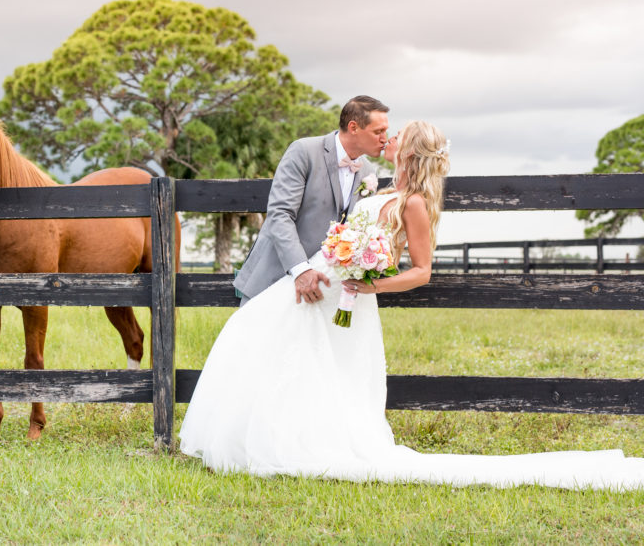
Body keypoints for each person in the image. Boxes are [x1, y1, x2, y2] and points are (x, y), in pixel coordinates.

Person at [180, 121, 644, 489]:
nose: (388, 138)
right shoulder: (374, 184)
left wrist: (371, 285)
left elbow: (421, 270)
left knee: (320, 365)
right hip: (318, 280)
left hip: (349, 295)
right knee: (271, 344)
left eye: (396, 135)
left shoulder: (416, 203)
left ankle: (310, 443)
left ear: (411, 149)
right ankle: (273, 436)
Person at [233, 96, 389, 306]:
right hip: (275, 275)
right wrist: (301, 269)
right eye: (378, 131)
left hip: (323, 290)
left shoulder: (368, 172)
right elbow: (280, 214)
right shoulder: (304, 151)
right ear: (354, 127)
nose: (384, 139)